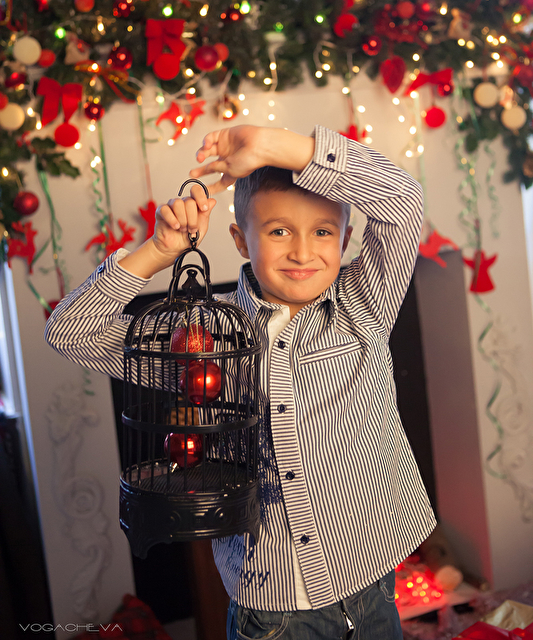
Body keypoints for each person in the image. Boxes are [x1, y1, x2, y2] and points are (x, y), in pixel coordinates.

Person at [45, 123, 436, 640]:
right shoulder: (203, 340)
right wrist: (159, 251)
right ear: (240, 240)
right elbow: (71, 332)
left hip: (370, 577)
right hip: (271, 605)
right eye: (279, 231)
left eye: (323, 232)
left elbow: (404, 199)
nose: (303, 252)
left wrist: (275, 146)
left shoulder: (364, 305)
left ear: (345, 240)